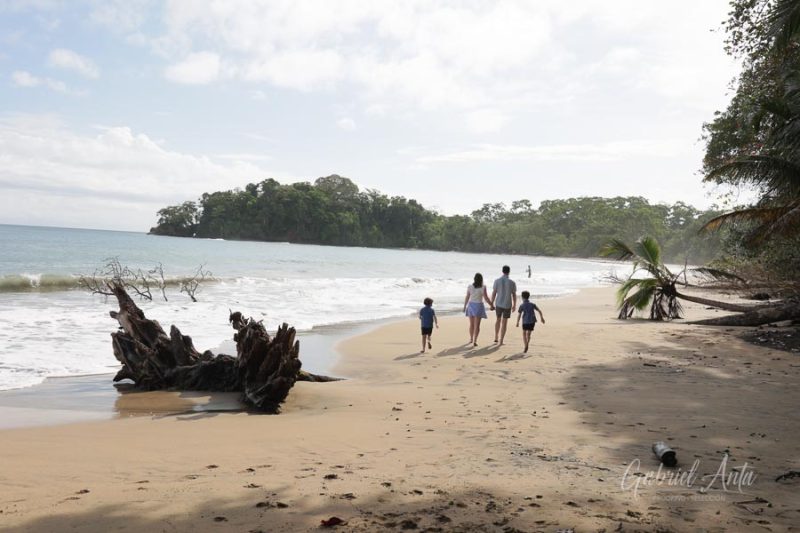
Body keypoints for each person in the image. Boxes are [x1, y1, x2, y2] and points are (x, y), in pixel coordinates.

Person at [463, 273, 493, 347]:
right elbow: (486, 298)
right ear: (481, 279)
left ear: (474, 279)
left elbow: (467, 296)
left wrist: (464, 306)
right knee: (477, 325)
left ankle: (471, 338)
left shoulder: (470, 286)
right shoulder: (483, 287)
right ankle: (475, 340)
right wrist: (491, 305)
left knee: (471, 324)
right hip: (479, 306)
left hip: (471, 305)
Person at [490, 265, 517, 346]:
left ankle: (496, 337)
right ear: (509, 272)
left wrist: (491, 303)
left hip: (498, 303)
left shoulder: (497, 281)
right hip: (507, 304)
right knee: (504, 323)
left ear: (502, 271)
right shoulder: (512, 282)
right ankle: (501, 341)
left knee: (498, 320)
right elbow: (514, 295)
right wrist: (514, 305)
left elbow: (494, 293)